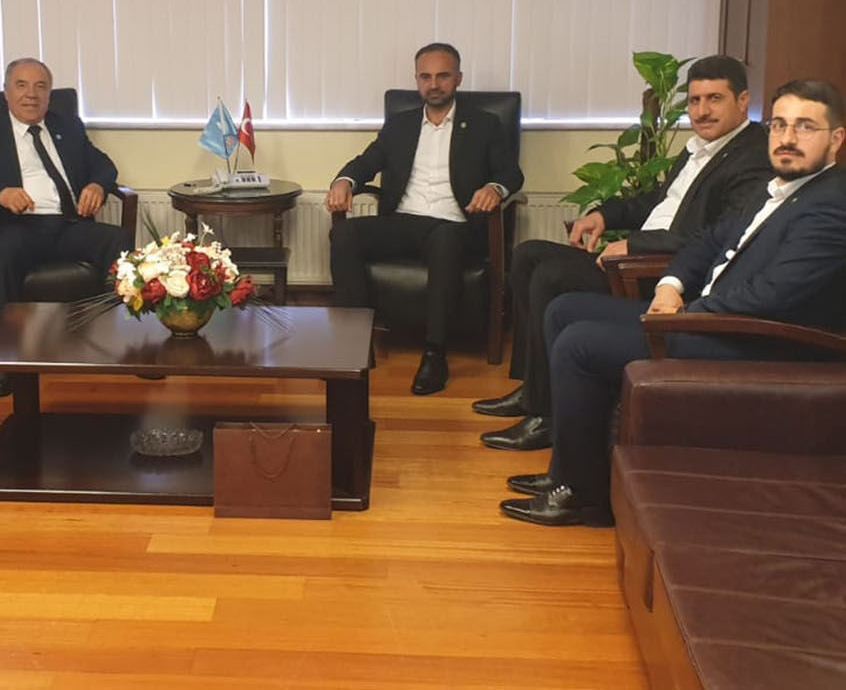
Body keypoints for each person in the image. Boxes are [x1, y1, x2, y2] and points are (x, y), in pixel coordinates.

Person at [501, 79, 846, 527]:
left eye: (805, 127)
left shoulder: (832, 204)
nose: (787, 138)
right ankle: (567, 470)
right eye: (779, 125)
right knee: (564, 309)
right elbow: (707, 241)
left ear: (836, 138)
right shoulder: (775, 187)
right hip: (711, 318)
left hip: (755, 341)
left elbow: (776, 294)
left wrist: (688, 317)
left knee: (580, 344)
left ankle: (583, 496)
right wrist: (670, 285)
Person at [474, 56, 772, 451]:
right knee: (527, 254)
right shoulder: (700, 149)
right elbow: (658, 200)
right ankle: (534, 390)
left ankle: (545, 416)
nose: (702, 111)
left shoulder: (753, 158)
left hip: (660, 273)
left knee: (551, 276)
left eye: (714, 99)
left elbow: (719, 237)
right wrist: (604, 214)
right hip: (640, 256)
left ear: (743, 100)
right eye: (695, 100)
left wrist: (635, 246)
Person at [326, 43, 524, 395]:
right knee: (346, 235)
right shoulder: (400, 125)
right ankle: (353, 343)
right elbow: (366, 162)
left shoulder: (485, 124)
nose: (434, 84)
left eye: (443, 76)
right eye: (425, 76)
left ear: (458, 78)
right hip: (404, 221)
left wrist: (495, 188)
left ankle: (434, 354)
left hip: (455, 224)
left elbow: (511, 173)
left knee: (445, 239)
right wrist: (344, 181)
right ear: (417, 80)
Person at [0, 58, 131, 391]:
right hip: (17, 226)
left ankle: (119, 341)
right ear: (6, 92)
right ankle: (5, 357)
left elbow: (104, 165)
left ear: (49, 94)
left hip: (68, 224)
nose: (31, 94)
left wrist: (97, 185)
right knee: (3, 252)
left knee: (119, 240)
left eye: (40, 86)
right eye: (21, 85)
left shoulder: (68, 126)